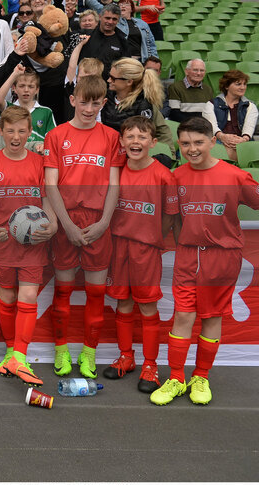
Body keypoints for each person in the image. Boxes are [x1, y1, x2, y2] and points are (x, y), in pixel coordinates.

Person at [151, 117, 259, 406]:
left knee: (211, 317)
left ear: (213, 142)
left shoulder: (235, 176)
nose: (192, 149)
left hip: (222, 258)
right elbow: (170, 217)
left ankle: (201, 376)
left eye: (198, 142)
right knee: (183, 315)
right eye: (185, 143)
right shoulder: (177, 176)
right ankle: (176, 377)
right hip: (187, 255)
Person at [44, 75, 124, 379]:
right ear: (73, 99)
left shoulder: (111, 137)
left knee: (96, 294)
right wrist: (66, 225)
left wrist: (104, 222)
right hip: (67, 222)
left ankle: (89, 354)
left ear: (104, 103)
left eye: (96, 102)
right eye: (84, 101)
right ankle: (61, 350)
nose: (89, 108)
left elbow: (114, 184)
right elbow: (50, 185)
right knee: (63, 291)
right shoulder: (56, 135)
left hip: (98, 222)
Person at [0, 105, 57, 385]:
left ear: (29, 131)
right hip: (3, 245)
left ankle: (20, 357)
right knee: (7, 298)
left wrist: (54, 226)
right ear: (1, 132)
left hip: (33, 244)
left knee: (29, 297)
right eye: (10, 130)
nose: (16, 136)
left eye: (22, 131)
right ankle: (10, 352)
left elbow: (48, 200)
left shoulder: (38, 163)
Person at [104, 116, 178, 393]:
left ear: (153, 142)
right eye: (130, 137)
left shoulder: (162, 175)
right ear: (122, 142)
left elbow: (170, 215)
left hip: (145, 250)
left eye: (142, 137)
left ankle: (150, 365)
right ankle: (126, 357)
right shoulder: (117, 170)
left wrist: (153, 239)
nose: (136, 142)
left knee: (147, 306)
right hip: (118, 246)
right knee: (122, 303)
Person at [203, 69, 258, 163]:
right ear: (227, 86)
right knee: (222, 149)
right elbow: (212, 127)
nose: (242, 87)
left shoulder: (250, 106)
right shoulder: (211, 104)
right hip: (218, 140)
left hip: (242, 141)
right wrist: (223, 137)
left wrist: (243, 139)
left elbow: (249, 128)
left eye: (244, 84)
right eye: (238, 84)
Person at [79, 4, 133, 73]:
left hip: (109, 82)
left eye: (114, 19)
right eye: (107, 18)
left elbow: (125, 67)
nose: (110, 22)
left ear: (118, 20)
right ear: (100, 17)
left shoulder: (123, 42)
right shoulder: (87, 36)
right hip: (86, 80)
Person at [167, 59, 214, 123]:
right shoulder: (175, 88)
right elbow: (174, 114)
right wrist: (194, 125)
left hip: (204, 127)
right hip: (184, 127)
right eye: (195, 70)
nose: (199, 73)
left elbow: (210, 113)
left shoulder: (208, 89)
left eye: (202, 70)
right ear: (186, 71)